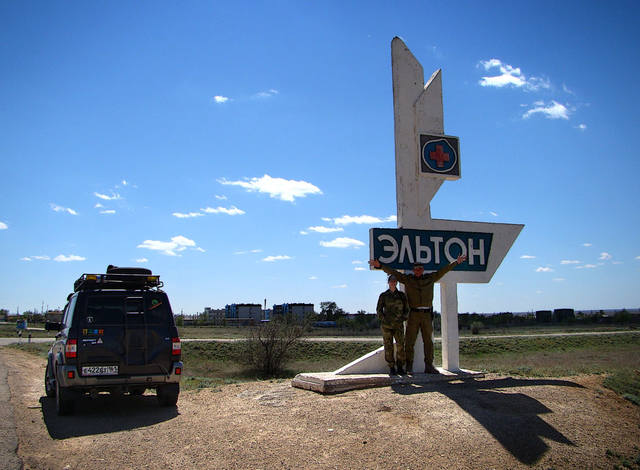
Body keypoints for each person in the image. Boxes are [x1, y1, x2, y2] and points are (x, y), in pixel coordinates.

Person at [369, 254, 467, 374]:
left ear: (423, 270)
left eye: (420, 269)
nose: (418, 271)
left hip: (427, 314)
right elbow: (395, 273)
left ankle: (429, 366)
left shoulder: (430, 278)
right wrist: (380, 266)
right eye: (416, 269)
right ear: (413, 270)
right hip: (413, 314)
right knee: (409, 341)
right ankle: (409, 366)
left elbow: (443, 270)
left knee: (428, 342)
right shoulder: (408, 280)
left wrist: (456, 262)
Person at [376, 274, 409, 375]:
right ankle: (391, 367)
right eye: (391, 281)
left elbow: (406, 309)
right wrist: (384, 320)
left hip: (398, 325)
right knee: (388, 346)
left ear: (397, 282)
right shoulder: (383, 295)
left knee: (400, 346)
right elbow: (379, 310)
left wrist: (402, 319)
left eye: (394, 281)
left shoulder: (402, 295)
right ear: (388, 282)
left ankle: (400, 367)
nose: (393, 282)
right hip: (387, 326)